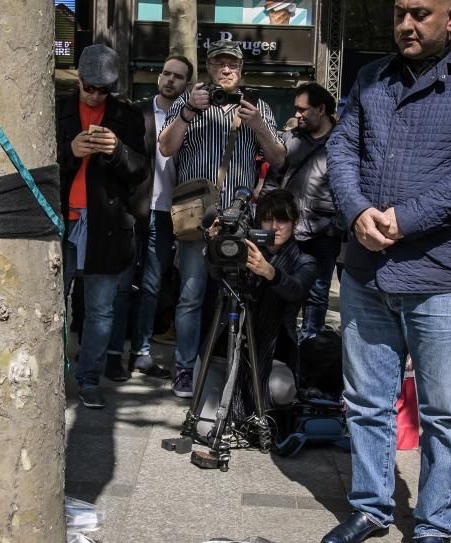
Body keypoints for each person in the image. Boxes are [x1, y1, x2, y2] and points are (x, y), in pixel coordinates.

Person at [321, 0, 451, 543]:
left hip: (443, 274)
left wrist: (402, 219)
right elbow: (341, 148)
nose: (406, 25)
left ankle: (433, 527)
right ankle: (371, 506)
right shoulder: (372, 76)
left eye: (420, 13)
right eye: (400, 13)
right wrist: (358, 211)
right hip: (367, 269)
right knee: (365, 401)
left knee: (444, 413)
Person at [158, 39, 285, 399]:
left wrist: (258, 125)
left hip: (237, 219)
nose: (226, 70)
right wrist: (187, 113)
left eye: (232, 64)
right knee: (191, 296)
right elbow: (165, 148)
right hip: (196, 220)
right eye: (219, 64)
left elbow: (278, 158)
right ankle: (184, 369)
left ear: (241, 69)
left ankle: (231, 367)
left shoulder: (255, 105)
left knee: (234, 297)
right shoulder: (190, 99)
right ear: (209, 68)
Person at [57, 44, 149, 409]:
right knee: (53, 307)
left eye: (102, 89)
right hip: (62, 220)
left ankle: (89, 378)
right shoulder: (59, 109)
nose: (94, 94)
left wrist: (118, 152)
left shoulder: (127, 116)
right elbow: (35, 166)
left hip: (107, 225)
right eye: (89, 87)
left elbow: (141, 171)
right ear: (78, 79)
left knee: (100, 311)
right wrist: (70, 152)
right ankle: (51, 375)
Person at [105, 54, 191, 381]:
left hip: (170, 212)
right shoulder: (136, 111)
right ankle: (115, 353)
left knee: (153, 288)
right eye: (166, 73)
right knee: (123, 286)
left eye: (178, 77)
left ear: (186, 83)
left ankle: (141, 353)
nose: (170, 80)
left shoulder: (193, 118)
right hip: (133, 208)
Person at [208, 189, 317, 406]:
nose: (275, 227)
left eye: (282, 220)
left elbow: (295, 289)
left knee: (281, 389)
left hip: (274, 353)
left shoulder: (305, 261)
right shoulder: (245, 250)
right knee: (205, 427)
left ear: (294, 222)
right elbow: (215, 275)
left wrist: (269, 272)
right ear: (259, 223)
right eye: (267, 220)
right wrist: (214, 246)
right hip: (225, 350)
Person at [263, 82, 341, 341]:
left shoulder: (343, 143)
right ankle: (284, 345)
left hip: (323, 233)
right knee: (281, 288)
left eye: (302, 109)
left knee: (318, 294)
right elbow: (274, 178)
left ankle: (309, 349)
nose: (296, 115)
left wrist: (335, 225)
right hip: (289, 230)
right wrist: (269, 216)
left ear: (321, 109)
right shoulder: (290, 138)